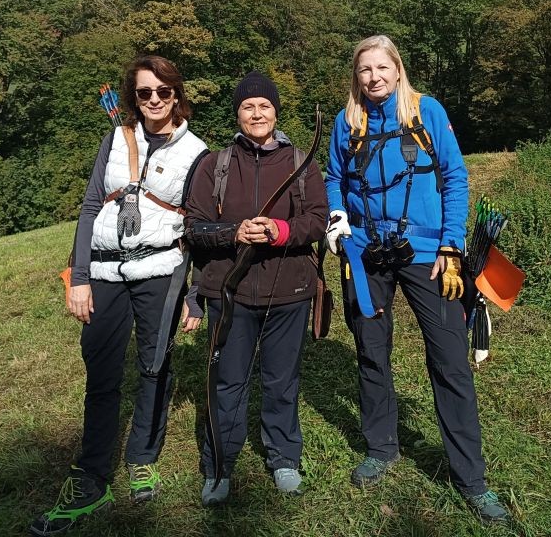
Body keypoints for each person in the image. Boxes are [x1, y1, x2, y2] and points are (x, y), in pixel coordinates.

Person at [323, 35, 511, 524]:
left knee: (450, 359)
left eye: (381, 67)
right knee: (371, 350)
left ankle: (471, 479)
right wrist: (337, 217)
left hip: (429, 254)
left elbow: (455, 176)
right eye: (365, 69)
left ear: (397, 69)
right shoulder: (347, 121)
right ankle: (381, 447)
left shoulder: (427, 112)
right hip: (367, 253)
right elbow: (333, 178)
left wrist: (451, 244)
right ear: (356, 75)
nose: (374, 77)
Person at [31, 55, 208, 536]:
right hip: (104, 271)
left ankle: (143, 457)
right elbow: (91, 205)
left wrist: (196, 293)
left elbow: (198, 225)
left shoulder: (197, 152)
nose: (154, 100)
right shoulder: (115, 139)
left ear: (176, 94)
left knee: (154, 364)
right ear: (134, 96)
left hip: (161, 270)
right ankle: (92, 474)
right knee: (102, 370)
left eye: (163, 91)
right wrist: (79, 276)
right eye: (144, 92)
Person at [184, 71, 327, 505]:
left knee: (282, 380)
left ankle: (284, 459)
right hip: (231, 294)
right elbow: (193, 227)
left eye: (265, 105)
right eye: (248, 106)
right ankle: (219, 467)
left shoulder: (301, 162)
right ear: (238, 114)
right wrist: (234, 232)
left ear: (276, 112)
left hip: (290, 292)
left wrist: (282, 231)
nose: (257, 113)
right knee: (228, 382)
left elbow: (317, 220)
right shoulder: (215, 165)